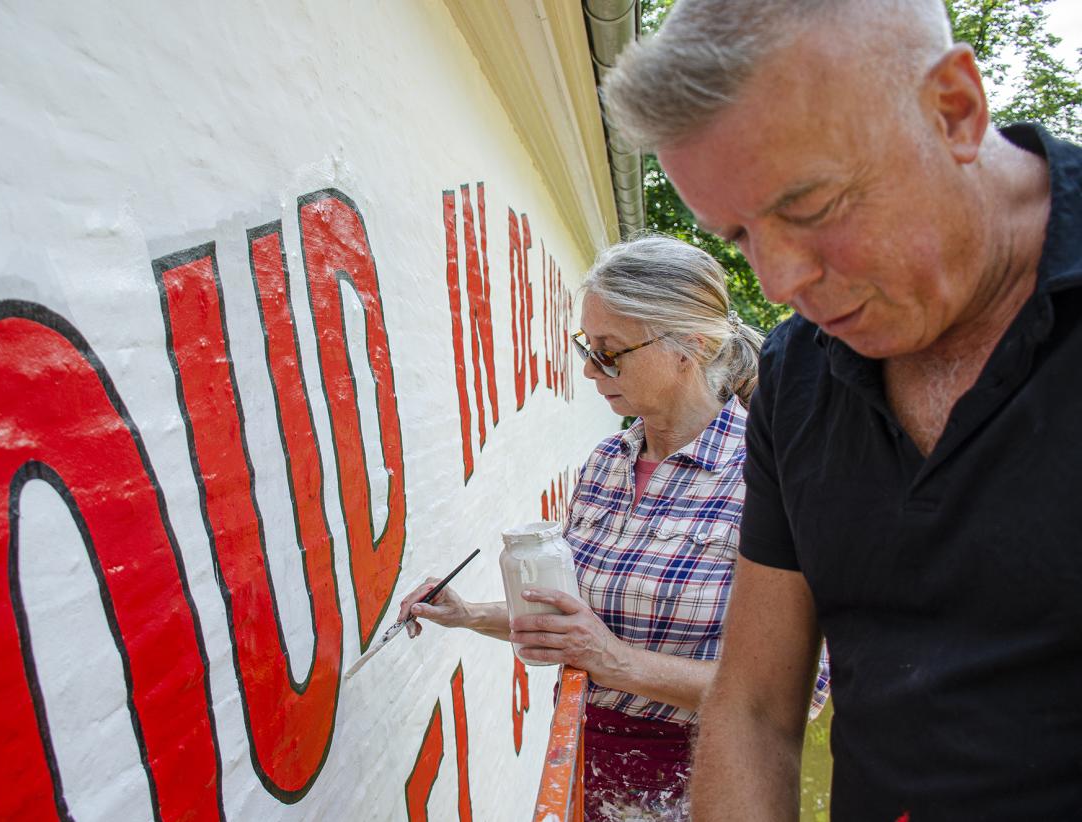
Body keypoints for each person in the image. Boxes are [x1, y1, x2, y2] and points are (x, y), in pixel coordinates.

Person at [602, 0, 1082, 819]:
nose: (782, 283)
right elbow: (754, 707)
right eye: (741, 237)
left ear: (954, 110)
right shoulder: (795, 376)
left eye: (813, 206)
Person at [399, 236, 825, 820]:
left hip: (705, 784)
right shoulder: (606, 461)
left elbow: (797, 694)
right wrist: (467, 613)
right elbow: (573, 625)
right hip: (581, 765)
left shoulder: (767, 476)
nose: (589, 368)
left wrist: (618, 662)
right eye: (586, 345)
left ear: (690, 347)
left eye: (610, 350)